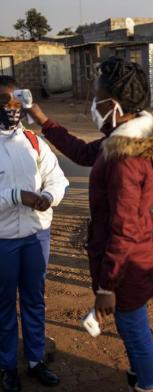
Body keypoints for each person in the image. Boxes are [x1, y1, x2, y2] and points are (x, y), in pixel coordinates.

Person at [27, 57, 153, 392]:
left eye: (97, 97)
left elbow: (123, 229)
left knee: (133, 328)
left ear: (115, 105)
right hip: (135, 254)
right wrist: (43, 120)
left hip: (127, 262)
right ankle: (142, 376)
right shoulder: (125, 140)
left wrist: (107, 287)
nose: (92, 104)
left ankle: (149, 384)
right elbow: (82, 153)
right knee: (131, 324)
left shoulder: (124, 159)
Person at [0, 76, 69, 392]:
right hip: (3, 240)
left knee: (34, 299)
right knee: (3, 305)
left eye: (16, 100)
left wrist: (49, 197)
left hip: (36, 233)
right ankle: (6, 367)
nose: (11, 107)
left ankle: (36, 361)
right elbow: (14, 194)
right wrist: (17, 196)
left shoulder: (32, 140)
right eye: (4, 100)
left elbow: (57, 178)